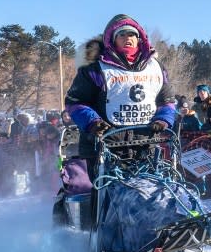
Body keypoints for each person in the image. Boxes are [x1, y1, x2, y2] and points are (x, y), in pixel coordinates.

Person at [64, 14, 176, 186]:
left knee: (151, 191)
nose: (128, 38)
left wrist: (163, 119)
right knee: (106, 195)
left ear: (140, 39)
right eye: (122, 34)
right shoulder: (95, 69)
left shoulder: (156, 67)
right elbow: (76, 102)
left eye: (132, 35)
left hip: (146, 143)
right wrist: (92, 122)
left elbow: (166, 100)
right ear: (112, 39)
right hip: (105, 145)